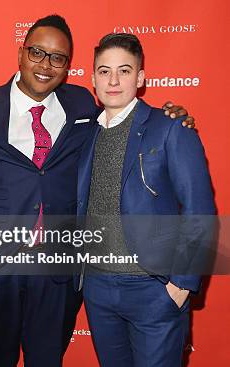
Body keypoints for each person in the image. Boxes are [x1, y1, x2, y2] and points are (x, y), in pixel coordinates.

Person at [0, 14, 193, 367]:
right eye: (38, 53)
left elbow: (128, 120)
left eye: (58, 58)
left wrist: (172, 116)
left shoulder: (83, 106)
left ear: (68, 66)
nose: (46, 65)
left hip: (56, 271)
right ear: (21, 53)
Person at [77, 32, 215, 367]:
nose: (113, 80)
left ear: (140, 78)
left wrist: (180, 286)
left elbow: (200, 210)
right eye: (104, 71)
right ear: (93, 77)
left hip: (153, 290)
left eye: (124, 71)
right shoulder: (86, 132)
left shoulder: (170, 128)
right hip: (97, 288)